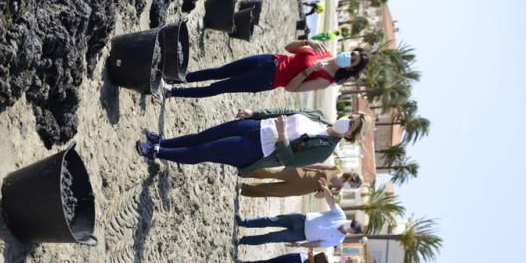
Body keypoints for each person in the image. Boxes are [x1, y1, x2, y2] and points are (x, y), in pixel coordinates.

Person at [136, 109, 370, 176]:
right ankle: (164, 142)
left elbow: (289, 161)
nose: (347, 121)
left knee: (206, 150)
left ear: (350, 136)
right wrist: (255, 113)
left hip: (256, 149)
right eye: (351, 117)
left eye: (351, 125)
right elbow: (286, 111)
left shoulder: (324, 151)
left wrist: (282, 135)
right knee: (204, 136)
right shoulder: (319, 117)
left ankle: (157, 152)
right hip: (255, 127)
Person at [160, 41, 368, 98]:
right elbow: (289, 49)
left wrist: (307, 71)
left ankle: (172, 92)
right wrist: (307, 41)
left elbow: (291, 89)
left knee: (218, 87)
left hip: (268, 79)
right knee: (219, 70)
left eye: (352, 61)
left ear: (350, 69)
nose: (348, 57)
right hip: (269, 60)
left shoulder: (326, 80)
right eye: (352, 54)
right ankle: (177, 79)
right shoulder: (325, 51)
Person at [237, 179, 363, 247]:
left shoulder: (338, 240)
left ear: (352, 232)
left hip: (299, 234)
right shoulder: (340, 216)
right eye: (351, 223)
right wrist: (325, 189)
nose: (349, 225)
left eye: (351, 227)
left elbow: (318, 243)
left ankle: (244, 241)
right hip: (301, 219)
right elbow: (331, 202)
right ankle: (244, 223)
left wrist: (301, 245)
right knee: (270, 220)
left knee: (271, 237)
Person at [240, 168, 362, 199]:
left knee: (272, 190)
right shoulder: (336, 169)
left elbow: (317, 196)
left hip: (300, 189)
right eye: (352, 185)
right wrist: (301, 165)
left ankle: (244, 188)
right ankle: (245, 171)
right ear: (351, 178)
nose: (349, 187)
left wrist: (328, 191)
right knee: (271, 172)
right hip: (299, 173)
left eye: (352, 188)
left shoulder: (336, 191)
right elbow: (318, 165)